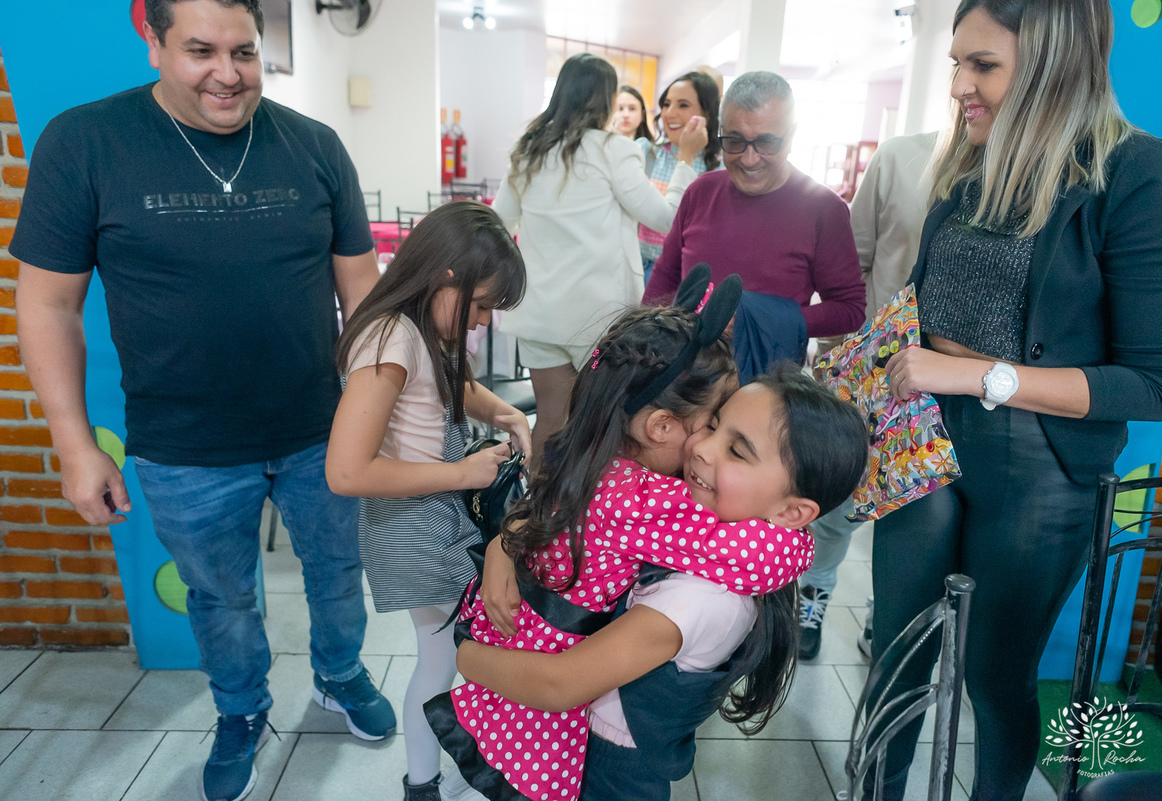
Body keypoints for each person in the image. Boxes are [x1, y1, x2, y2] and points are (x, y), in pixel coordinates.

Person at [10, 2, 396, 800]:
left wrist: (384, 411)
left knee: (336, 570)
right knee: (221, 599)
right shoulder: (85, 144)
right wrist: (76, 445)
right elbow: (46, 306)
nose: (228, 73)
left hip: (321, 431)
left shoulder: (315, 146)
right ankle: (242, 710)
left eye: (244, 52)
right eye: (200, 51)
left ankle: (339, 671)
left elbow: (363, 295)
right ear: (148, 40)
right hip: (181, 444)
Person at [869, 1, 1162, 799]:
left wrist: (978, 375)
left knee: (995, 679)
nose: (958, 86)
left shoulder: (1138, 172)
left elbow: (1153, 384)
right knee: (896, 661)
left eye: (981, 65)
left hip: (1041, 470)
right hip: (924, 443)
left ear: (1053, 61)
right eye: (956, 64)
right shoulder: (972, 164)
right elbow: (923, 308)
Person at [425, 276, 840, 801]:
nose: (709, 447)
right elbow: (749, 553)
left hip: (516, 647)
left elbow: (525, 520)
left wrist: (500, 547)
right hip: (538, 683)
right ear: (662, 427)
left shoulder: (593, 458)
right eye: (713, 423)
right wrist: (797, 536)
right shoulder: (641, 500)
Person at [324, 202, 528, 801]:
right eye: (483, 304)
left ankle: (442, 772)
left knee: (446, 655)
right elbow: (347, 470)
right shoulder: (389, 340)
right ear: (445, 275)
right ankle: (423, 783)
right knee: (440, 664)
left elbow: (452, 387)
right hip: (413, 529)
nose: (484, 322)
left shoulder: (419, 330)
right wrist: (463, 472)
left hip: (432, 516)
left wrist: (505, 411)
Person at [493, 52, 708, 467]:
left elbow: (500, 220)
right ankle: (587, 521)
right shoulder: (613, 150)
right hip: (597, 314)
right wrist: (684, 161)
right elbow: (664, 218)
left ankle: (536, 519)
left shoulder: (530, 150)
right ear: (607, 99)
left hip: (538, 310)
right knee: (597, 425)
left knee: (552, 418)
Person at [800, 130, 940, 661]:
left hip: (956, 379)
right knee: (838, 495)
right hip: (872, 366)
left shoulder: (1016, 165)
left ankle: (891, 610)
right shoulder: (902, 156)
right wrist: (837, 362)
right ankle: (812, 595)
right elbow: (853, 263)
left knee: (917, 512)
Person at [643, 70, 866, 353]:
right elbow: (666, 275)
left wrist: (762, 319)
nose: (749, 159)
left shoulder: (824, 209)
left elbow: (850, 309)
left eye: (767, 143)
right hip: (686, 374)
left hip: (767, 382)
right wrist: (645, 334)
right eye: (734, 141)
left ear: (791, 136)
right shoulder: (700, 192)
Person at [638, 72, 721, 284]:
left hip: (685, 282)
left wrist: (687, 153)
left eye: (683, 105)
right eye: (666, 104)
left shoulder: (719, 169)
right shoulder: (645, 153)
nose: (669, 114)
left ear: (708, 115)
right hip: (638, 270)